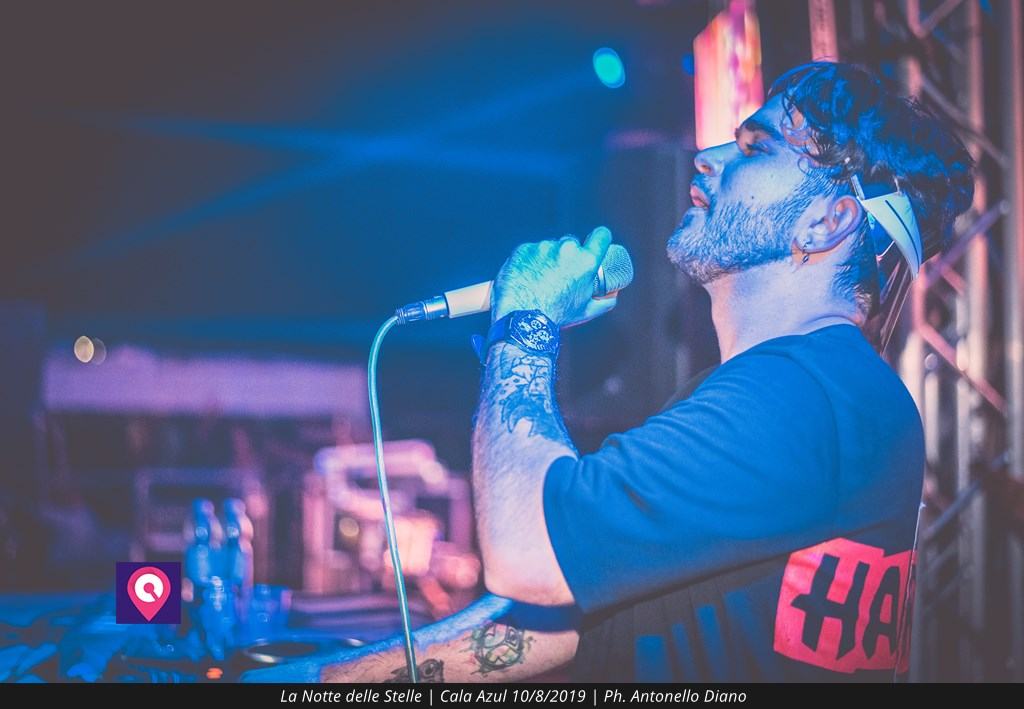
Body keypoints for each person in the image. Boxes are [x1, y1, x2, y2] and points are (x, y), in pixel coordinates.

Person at [244, 61, 973, 683]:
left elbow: (530, 555)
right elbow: (554, 620)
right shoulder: (816, 394)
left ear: (827, 221)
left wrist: (525, 323)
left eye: (757, 147)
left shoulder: (800, 395)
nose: (707, 155)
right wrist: (316, 680)